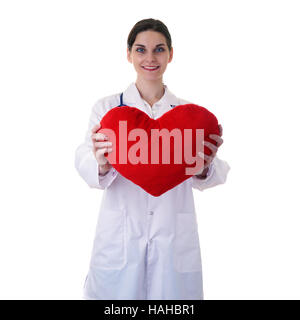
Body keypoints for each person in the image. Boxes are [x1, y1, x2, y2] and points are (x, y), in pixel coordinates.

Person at [74, 18, 230, 300]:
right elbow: (83, 159)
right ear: (128, 54)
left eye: (159, 49)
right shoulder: (108, 109)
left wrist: (205, 167)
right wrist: (101, 163)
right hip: (119, 240)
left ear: (171, 54)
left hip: (173, 240)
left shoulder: (188, 115)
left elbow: (217, 172)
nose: (149, 58)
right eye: (140, 49)